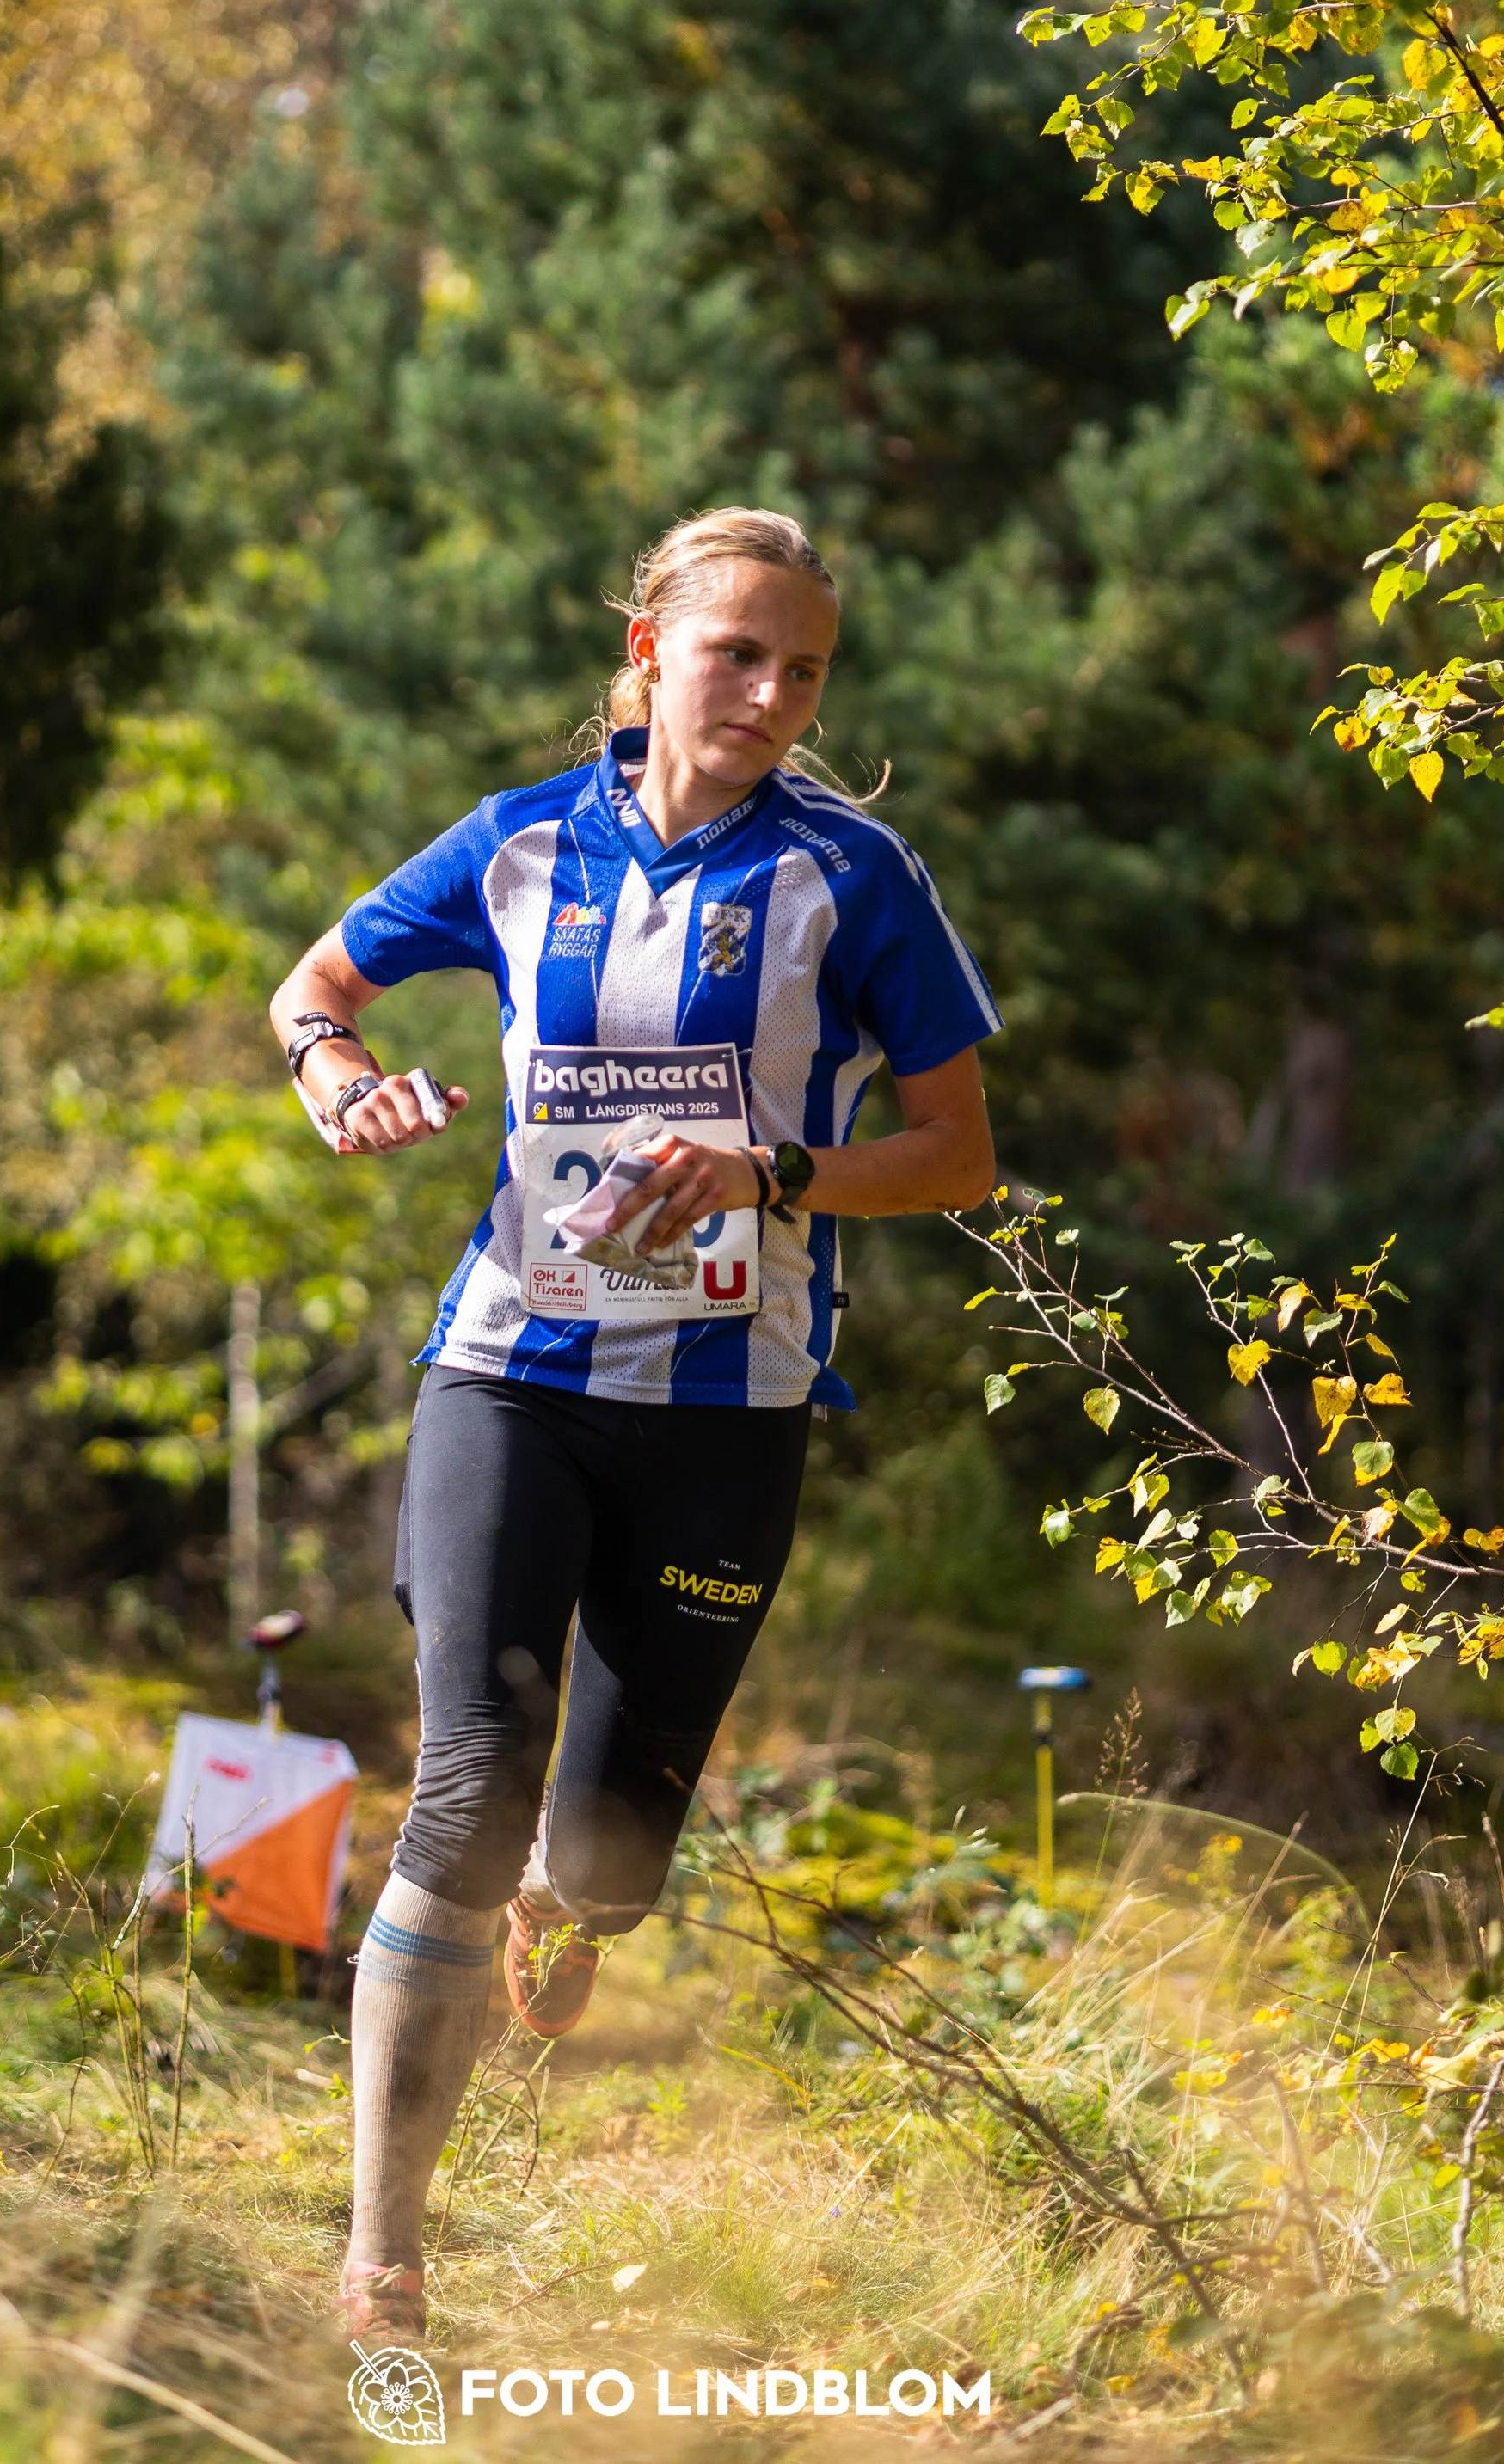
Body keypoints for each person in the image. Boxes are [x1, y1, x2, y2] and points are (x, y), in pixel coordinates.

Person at [267, 507, 1001, 2343]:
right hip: (508, 1367)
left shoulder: (855, 877)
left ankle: (567, 1900)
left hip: (728, 1406)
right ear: (648, 643)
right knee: (464, 1771)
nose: (769, 692)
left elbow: (960, 1152)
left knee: (602, 1846)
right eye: (737, 651)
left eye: (804, 665)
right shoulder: (519, 840)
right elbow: (313, 985)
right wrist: (337, 1082)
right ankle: (382, 2250)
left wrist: (769, 1167)